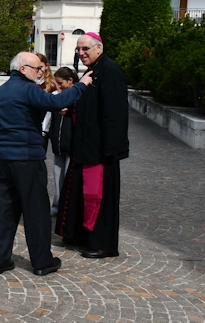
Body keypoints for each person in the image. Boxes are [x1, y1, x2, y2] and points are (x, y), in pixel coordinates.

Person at [0, 52, 91, 276]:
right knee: (36, 211)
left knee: (5, 210)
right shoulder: (29, 89)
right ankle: (42, 262)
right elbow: (58, 100)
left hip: (4, 159)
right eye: (37, 69)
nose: (40, 73)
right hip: (28, 158)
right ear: (22, 69)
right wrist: (81, 85)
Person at [56, 33, 129, 259]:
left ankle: (102, 243)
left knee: (97, 196)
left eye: (86, 49)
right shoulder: (90, 72)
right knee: (78, 191)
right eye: (78, 49)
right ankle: (78, 234)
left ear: (99, 48)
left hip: (100, 150)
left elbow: (114, 114)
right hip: (84, 146)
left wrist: (110, 149)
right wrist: (72, 111)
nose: (81, 53)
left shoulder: (110, 72)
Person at [48, 67, 79, 217]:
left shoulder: (77, 97)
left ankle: (66, 209)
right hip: (58, 144)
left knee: (68, 179)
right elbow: (51, 121)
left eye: (60, 83)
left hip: (72, 145)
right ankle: (57, 206)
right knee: (58, 177)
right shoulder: (56, 96)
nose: (58, 86)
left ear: (70, 81)